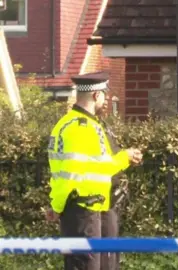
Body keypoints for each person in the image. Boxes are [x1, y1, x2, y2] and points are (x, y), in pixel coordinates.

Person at [44, 71, 143, 270]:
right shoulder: (80, 128)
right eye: (105, 94)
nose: (106, 100)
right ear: (96, 95)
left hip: (91, 209)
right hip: (81, 211)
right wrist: (56, 206)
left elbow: (93, 165)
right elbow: (70, 173)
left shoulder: (83, 124)